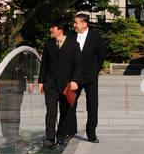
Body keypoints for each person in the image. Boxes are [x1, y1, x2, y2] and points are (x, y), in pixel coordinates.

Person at [39, 24, 79, 147]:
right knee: (50, 112)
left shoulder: (73, 45)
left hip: (66, 84)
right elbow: (44, 64)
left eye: (53, 28)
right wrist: (41, 81)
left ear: (60, 30)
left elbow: (78, 65)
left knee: (65, 111)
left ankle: (61, 136)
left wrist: (74, 81)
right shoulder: (49, 44)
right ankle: (50, 138)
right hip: (50, 84)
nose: (50, 30)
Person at [70, 13, 107, 143]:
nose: (74, 25)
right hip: (74, 77)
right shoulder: (71, 36)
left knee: (92, 106)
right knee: (70, 104)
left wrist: (95, 71)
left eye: (77, 23)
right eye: (74, 22)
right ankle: (70, 130)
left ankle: (91, 134)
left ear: (84, 24)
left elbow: (102, 55)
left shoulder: (95, 37)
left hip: (90, 77)